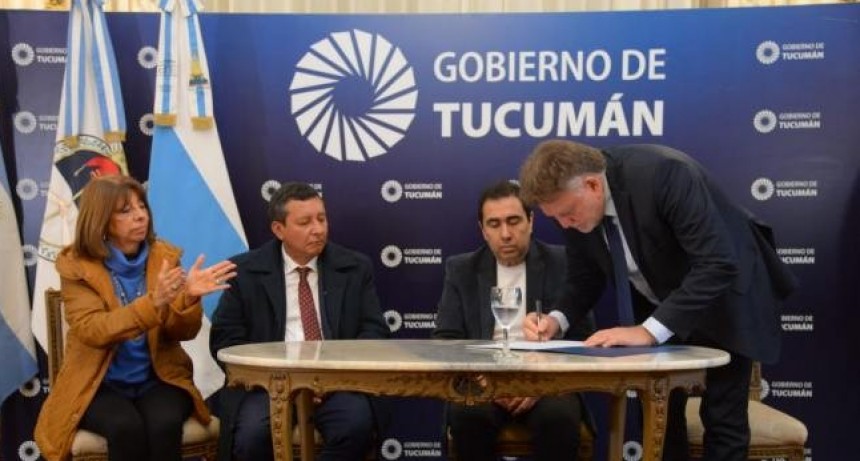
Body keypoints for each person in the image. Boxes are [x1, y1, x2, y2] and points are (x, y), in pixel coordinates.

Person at [517, 140, 797, 461]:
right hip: (663, 301)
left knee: (722, 418)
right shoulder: (573, 205)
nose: (565, 225)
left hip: (726, 295)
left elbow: (717, 263)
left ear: (593, 185)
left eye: (567, 214)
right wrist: (556, 319)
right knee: (657, 416)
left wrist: (648, 331)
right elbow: (585, 278)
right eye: (556, 218)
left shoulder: (664, 174)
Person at [34, 175, 237, 461]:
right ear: (102, 219)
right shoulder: (77, 266)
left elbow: (182, 332)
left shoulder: (164, 258)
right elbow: (93, 329)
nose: (140, 215)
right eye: (126, 210)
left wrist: (189, 299)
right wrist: (153, 303)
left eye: (142, 206)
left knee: (163, 424)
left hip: (160, 378)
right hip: (98, 383)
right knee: (125, 427)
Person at [209, 182, 390, 461]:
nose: (318, 229)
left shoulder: (354, 267)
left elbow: (374, 330)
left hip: (336, 384)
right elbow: (226, 341)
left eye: (322, 219)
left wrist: (336, 376)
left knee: (355, 428)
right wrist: (274, 381)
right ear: (278, 229)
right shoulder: (245, 272)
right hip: (267, 386)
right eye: (305, 222)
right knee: (251, 437)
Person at [433, 180, 594, 461]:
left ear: (531, 221)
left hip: (548, 383)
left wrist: (538, 384)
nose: (505, 234)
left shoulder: (563, 262)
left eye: (514, 221)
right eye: (494, 224)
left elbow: (583, 336)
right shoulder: (461, 269)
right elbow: (446, 339)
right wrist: (485, 382)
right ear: (483, 230)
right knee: (468, 416)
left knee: (558, 417)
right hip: (483, 381)